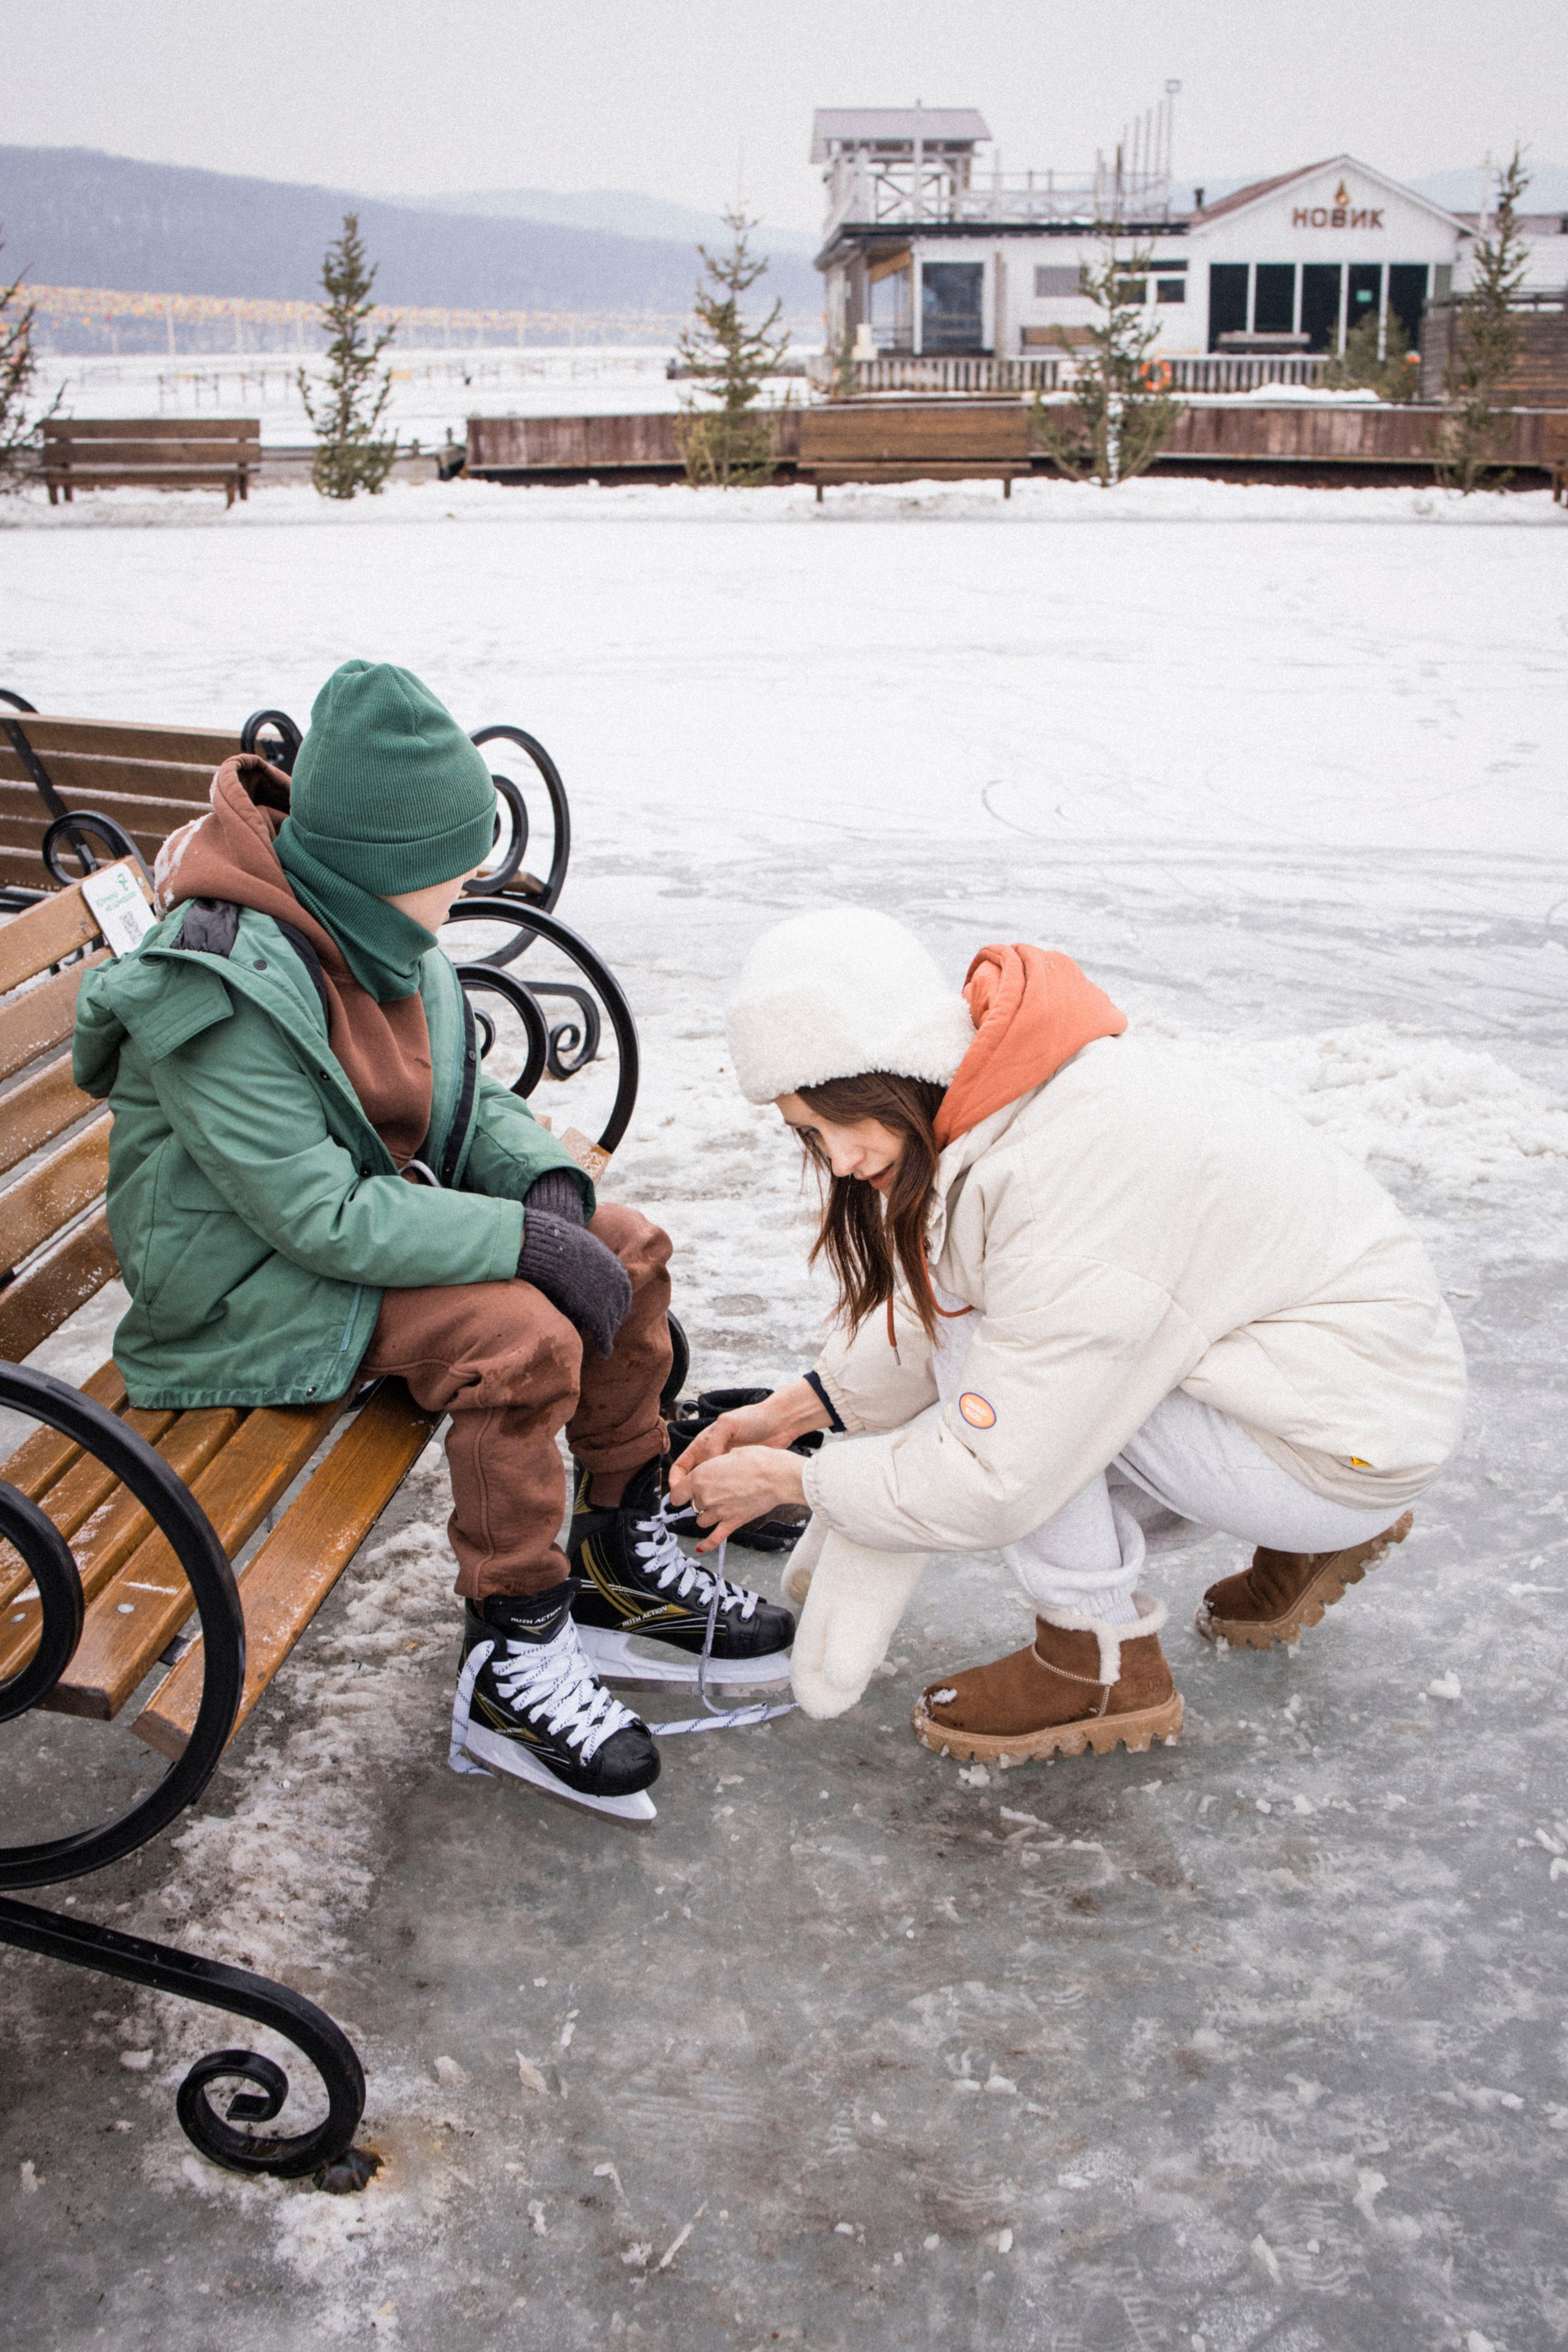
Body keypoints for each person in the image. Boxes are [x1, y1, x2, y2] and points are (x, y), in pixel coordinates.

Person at [72, 660, 791, 1821]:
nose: (465, 890)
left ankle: (617, 1534)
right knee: (519, 1337)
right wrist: (518, 1245)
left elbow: (464, 1099)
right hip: (238, 1296)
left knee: (630, 1247)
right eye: (449, 871)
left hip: (341, 1239)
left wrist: (544, 1192)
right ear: (378, 865)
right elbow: (320, 1215)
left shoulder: (375, 933)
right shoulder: (215, 984)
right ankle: (510, 1653)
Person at [669, 908, 1465, 1762]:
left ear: (888, 1073)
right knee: (1003, 1363)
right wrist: (798, 1409)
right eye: (807, 1136)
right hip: (1343, 1388)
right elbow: (976, 1292)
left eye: (832, 1124)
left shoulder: (1066, 1173)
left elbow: (997, 1469)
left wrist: (799, 1479)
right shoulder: (1015, 1098)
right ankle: (1314, 1530)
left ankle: (1097, 1661)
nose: (836, 1163)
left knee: (1003, 1410)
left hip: (1341, 1439)